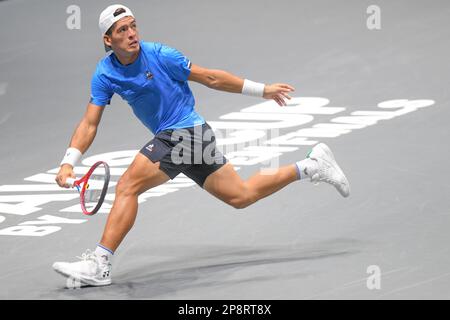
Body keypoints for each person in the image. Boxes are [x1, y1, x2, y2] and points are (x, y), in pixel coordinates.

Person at [53, 4, 350, 287]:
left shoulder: (160, 54)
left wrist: (263, 90)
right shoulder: (104, 73)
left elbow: (210, 78)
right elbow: (90, 123)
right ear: (108, 39)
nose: (132, 34)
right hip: (192, 138)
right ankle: (311, 166)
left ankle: (100, 263)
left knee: (128, 186)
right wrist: (69, 161)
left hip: (186, 132)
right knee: (241, 195)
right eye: (122, 30)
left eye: (133, 27)